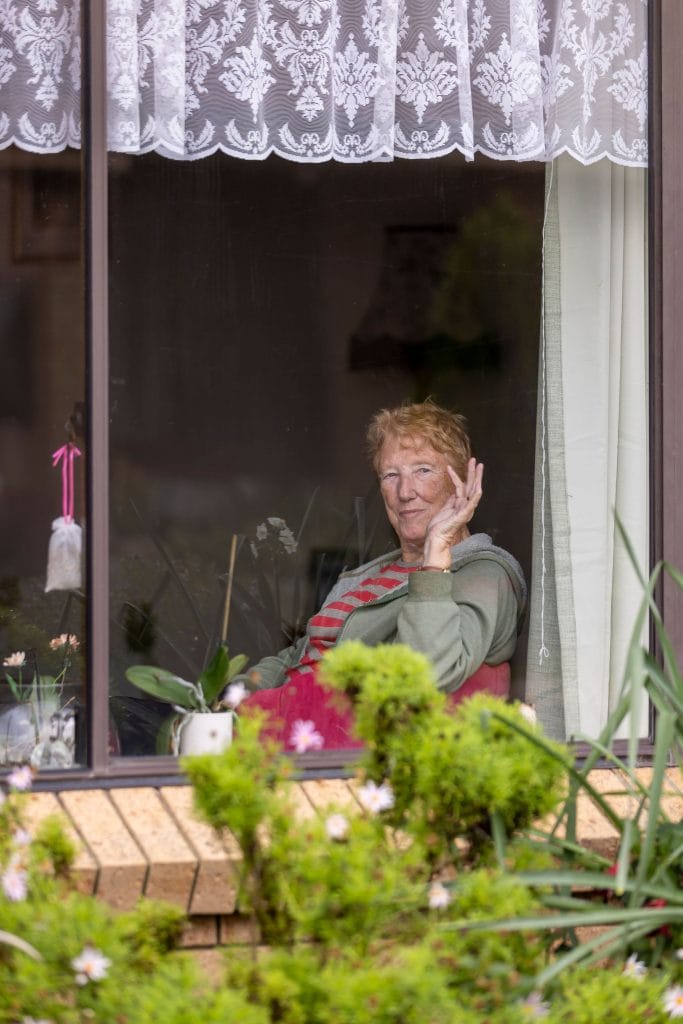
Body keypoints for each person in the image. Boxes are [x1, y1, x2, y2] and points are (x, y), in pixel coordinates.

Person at [241, 400, 527, 749]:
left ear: (461, 482)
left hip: (331, 753)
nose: (405, 492)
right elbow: (301, 653)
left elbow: (427, 674)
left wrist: (436, 553)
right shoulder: (365, 576)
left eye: (423, 470)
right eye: (391, 476)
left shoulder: (485, 574)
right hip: (284, 726)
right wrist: (235, 693)